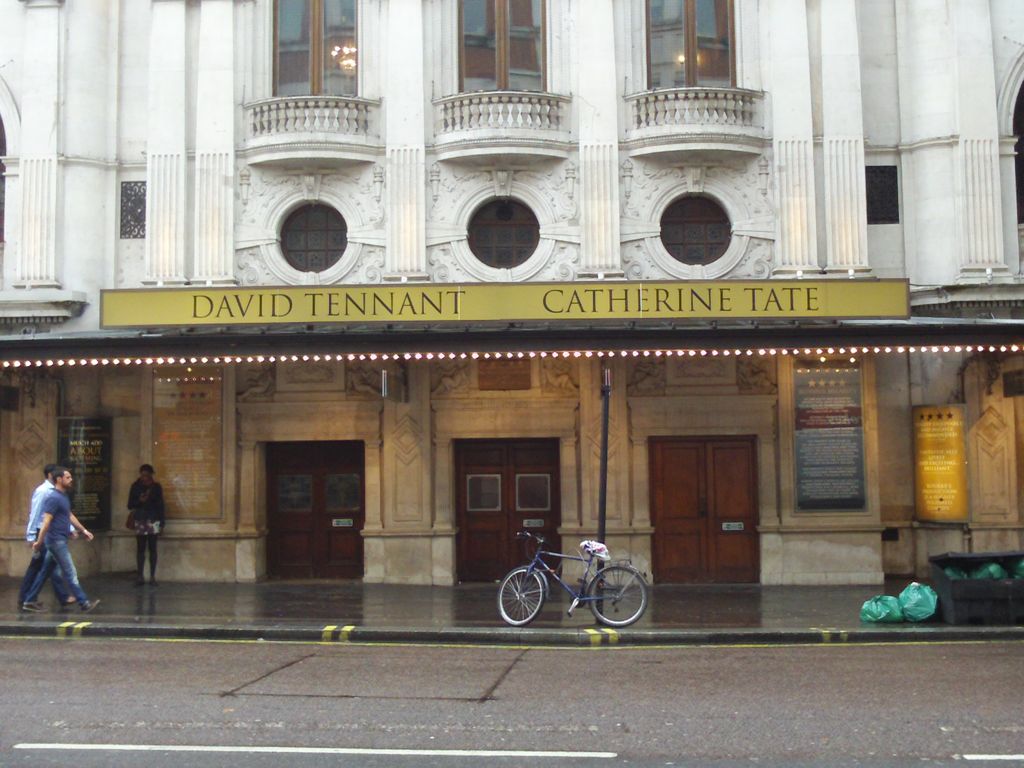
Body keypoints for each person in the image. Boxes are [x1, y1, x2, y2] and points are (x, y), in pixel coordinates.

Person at [21, 467, 99, 613]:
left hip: (59, 540)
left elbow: (69, 516)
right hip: (56, 541)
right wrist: (38, 541)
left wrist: (83, 530)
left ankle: (29, 600)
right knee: (70, 572)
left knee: (45, 571)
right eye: (68, 477)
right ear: (59, 479)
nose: (71, 480)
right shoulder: (52, 497)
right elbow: (46, 522)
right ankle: (84, 602)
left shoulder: (63, 497)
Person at [18, 463, 76, 611]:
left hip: (50, 533)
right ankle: (61, 597)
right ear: (51, 476)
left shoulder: (56, 492)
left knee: (38, 566)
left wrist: (70, 528)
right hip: (42, 533)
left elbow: (62, 514)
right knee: (51, 566)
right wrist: (31, 536)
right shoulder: (43, 491)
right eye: (63, 475)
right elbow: (35, 513)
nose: (66, 478)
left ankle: (25, 597)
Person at [127, 463, 166, 586]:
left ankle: (152, 576)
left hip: (153, 519)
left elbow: (160, 505)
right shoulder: (135, 487)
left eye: (147, 475)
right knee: (141, 548)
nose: (144, 478)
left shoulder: (156, 487)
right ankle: (140, 576)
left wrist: (162, 523)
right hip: (141, 518)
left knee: (153, 548)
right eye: (142, 475)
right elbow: (130, 504)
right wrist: (140, 500)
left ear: (150, 475)